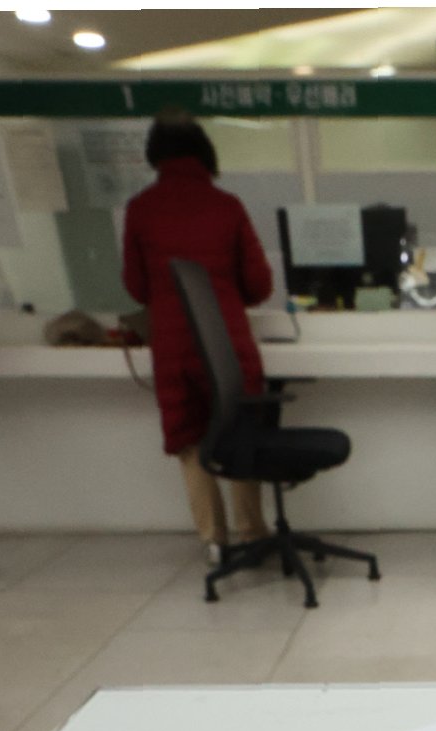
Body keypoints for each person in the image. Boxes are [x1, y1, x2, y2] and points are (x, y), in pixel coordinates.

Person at [122, 114, 274, 565]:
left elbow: (136, 286)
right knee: (240, 432)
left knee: (190, 441)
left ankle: (214, 540)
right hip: (228, 341)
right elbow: (259, 284)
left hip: (172, 346)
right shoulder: (226, 206)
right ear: (206, 154)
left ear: (155, 157)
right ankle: (252, 533)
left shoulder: (141, 209)